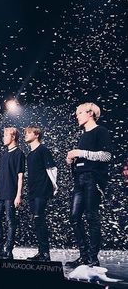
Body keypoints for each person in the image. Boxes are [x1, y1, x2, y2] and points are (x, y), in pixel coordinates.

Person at [65, 102, 112, 268]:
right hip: (79, 180)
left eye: (79, 112)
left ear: (90, 113)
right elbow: (86, 158)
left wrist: (80, 153)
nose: (76, 115)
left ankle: (93, 258)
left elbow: (106, 156)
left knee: (92, 217)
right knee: (74, 217)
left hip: (93, 179)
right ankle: (84, 256)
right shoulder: (83, 135)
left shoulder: (101, 131)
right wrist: (72, 160)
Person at [0, 127, 25, 259]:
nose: (3, 138)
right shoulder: (3, 154)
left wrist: (18, 195)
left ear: (13, 137)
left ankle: (8, 250)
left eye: (5, 135)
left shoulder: (19, 154)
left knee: (11, 221)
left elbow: (20, 176)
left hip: (11, 193)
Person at [24, 126, 58, 261]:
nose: (25, 135)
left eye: (28, 133)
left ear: (36, 135)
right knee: (36, 221)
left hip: (42, 189)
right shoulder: (30, 154)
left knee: (39, 218)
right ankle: (41, 252)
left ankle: (45, 253)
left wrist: (54, 187)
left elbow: (52, 168)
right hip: (32, 191)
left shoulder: (43, 150)